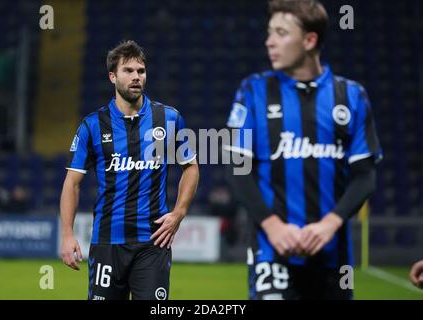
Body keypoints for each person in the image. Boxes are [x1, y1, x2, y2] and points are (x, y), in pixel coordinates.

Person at [224, 0, 382, 300]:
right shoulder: (253, 90)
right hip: (271, 251)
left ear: (310, 40)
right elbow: (236, 169)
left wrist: (329, 224)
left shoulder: (351, 96)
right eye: (269, 32)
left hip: (334, 257)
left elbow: (365, 177)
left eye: (281, 33)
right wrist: (273, 226)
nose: (269, 41)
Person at [60, 40, 199, 300]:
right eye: (128, 71)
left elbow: (191, 167)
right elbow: (72, 183)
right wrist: (67, 235)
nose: (136, 77)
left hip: (153, 241)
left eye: (141, 71)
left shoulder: (169, 119)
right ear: (113, 76)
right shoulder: (92, 126)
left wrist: (179, 213)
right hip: (107, 242)